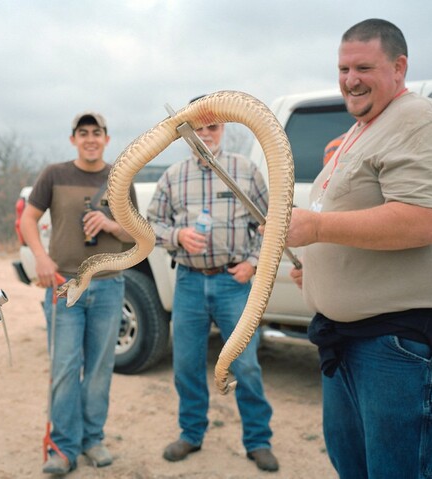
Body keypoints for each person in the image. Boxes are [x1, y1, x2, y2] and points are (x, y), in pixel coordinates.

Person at [285, 19, 432, 478]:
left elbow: (428, 219)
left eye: (363, 67)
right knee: (353, 468)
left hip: (392, 349)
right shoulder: (360, 129)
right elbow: (357, 219)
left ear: (399, 67)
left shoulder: (416, 118)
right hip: (346, 342)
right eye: (342, 68)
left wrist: (316, 227)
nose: (349, 80)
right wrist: (316, 267)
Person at [147, 99, 279, 473]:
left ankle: (258, 441)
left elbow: (270, 225)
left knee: (247, 365)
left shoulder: (246, 171)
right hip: (188, 282)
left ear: (223, 128)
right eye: (199, 128)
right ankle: (191, 434)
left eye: (213, 127)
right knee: (186, 364)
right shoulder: (173, 176)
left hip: (233, 284)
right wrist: (177, 235)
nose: (205, 135)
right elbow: (148, 226)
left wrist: (253, 263)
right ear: (186, 130)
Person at [20, 111, 137, 475]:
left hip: (108, 285)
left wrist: (110, 224)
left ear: (107, 138)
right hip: (64, 286)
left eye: (96, 133)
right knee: (65, 368)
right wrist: (40, 258)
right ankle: (63, 447)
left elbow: (137, 235)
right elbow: (27, 218)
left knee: (100, 369)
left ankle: (93, 440)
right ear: (73, 139)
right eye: (82, 133)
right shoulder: (54, 174)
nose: (90, 138)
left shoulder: (120, 178)